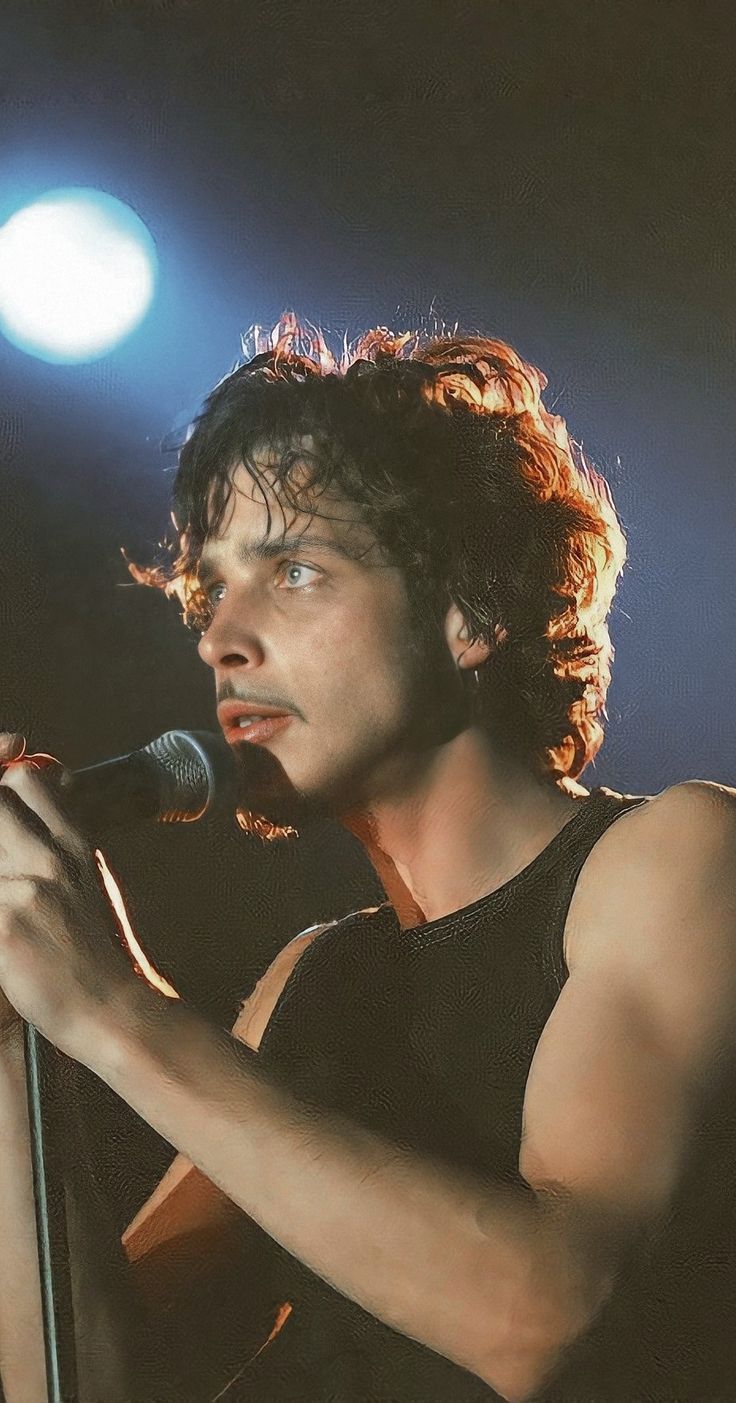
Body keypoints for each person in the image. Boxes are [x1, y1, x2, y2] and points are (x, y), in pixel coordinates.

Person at [0, 314, 735, 1402]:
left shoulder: (674, 855)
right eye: (212, 589)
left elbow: (549, 1314)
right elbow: (99, 1378)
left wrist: (108, 1005)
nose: (218, 638)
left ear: (469, 611)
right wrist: (17, 1029)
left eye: (292, 569)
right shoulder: (316, 979)